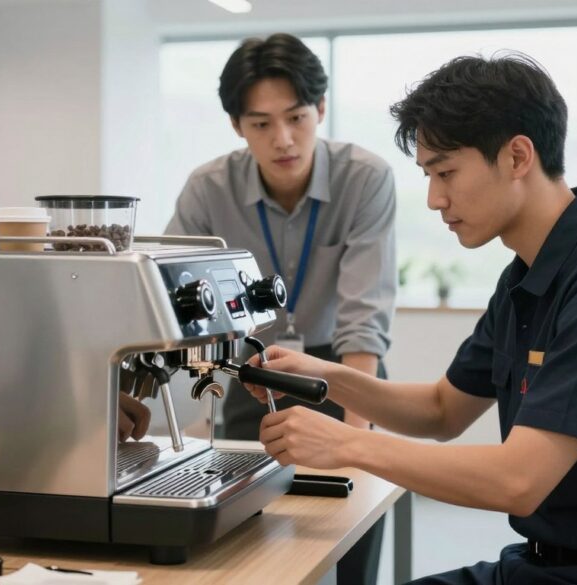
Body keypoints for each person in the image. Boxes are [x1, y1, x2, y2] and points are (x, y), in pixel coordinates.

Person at [242, 53, 577, 585]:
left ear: (518, 156)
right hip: (547, 564)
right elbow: (441, 410)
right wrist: (327, 377)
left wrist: (347, 444)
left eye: (446, 172)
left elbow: (518, 481)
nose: (435, 199)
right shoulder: (527, 276)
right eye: (429, 176)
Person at [164, 33, 396, 584]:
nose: (283, 139)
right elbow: (168, 305)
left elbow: (363, 319)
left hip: (344, 367)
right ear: (236, 125)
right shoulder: (207, 190)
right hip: (254, 369)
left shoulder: (365, 178)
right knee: (254, 534)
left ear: (320, 108)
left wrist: (356, 440)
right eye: (261, 123)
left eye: (295, 117)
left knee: (350, 523)